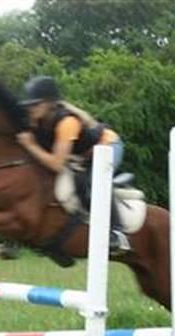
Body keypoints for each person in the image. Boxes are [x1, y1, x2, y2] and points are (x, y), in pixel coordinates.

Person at [16, 75, 131, 254]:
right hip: (80, 155)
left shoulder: (67, 122)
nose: (30, 108)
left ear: (50, 104)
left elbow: (56, 164)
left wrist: (30, 145)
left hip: (108, 146)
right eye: (28, 105)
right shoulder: (38, 121)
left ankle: (118, 233)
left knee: (94, 184)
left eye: (35, 104)